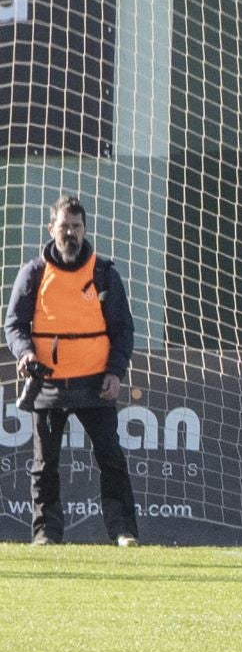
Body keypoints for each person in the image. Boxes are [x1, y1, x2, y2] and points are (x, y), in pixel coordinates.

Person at [5, 194, 140, 546]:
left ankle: (123, 531)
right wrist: (24, 354)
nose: (70, 233)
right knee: (44, 464)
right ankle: (46, 534)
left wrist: (116, 371)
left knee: (110, 457)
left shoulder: (103, 273)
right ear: (51, 228)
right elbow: (15, 325)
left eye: (76, 226)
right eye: (64, 226)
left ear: (85, 230)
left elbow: (123, 329)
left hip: (96, 383)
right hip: (47, 382)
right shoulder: (34, 272)